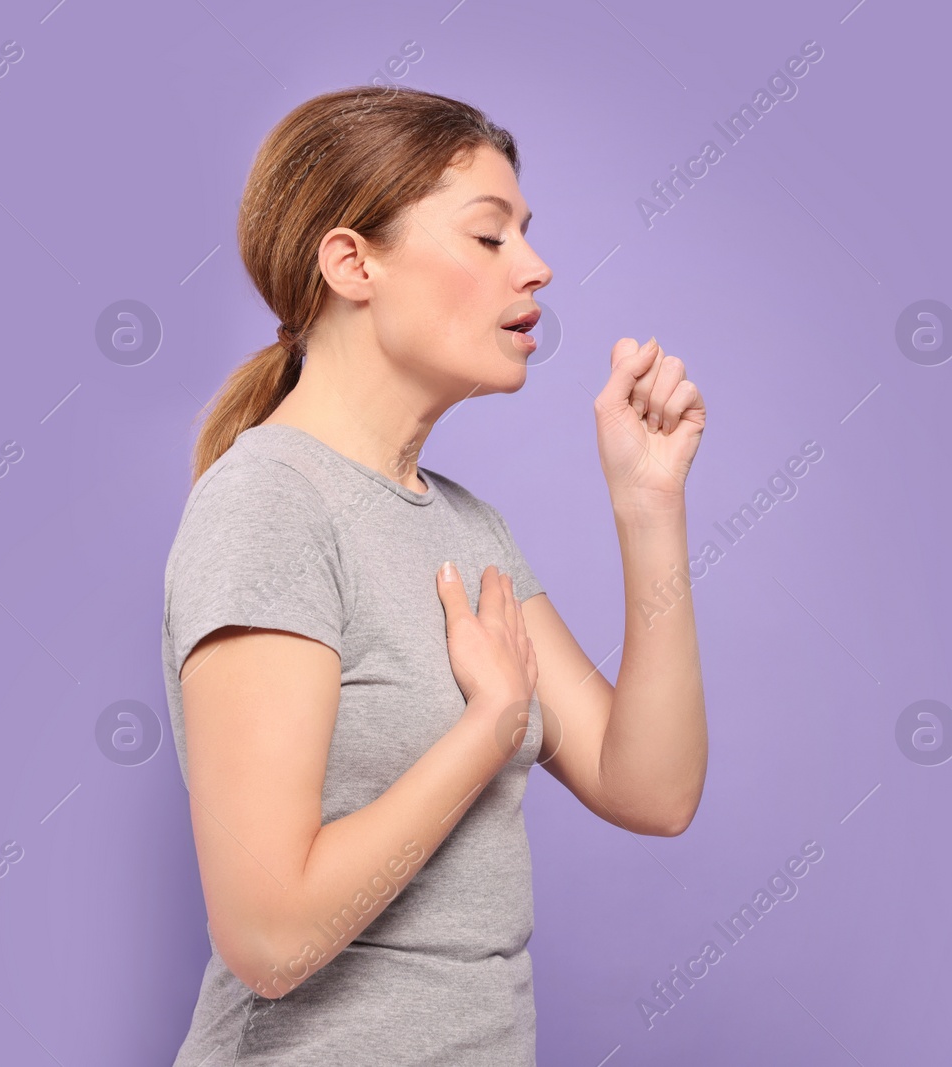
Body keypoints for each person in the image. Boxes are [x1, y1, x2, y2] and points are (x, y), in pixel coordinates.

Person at [159, 84, 708, 1065]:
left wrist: (648, 504)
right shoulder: (270, 506)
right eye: (489, 237)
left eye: (526, 236)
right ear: (351, 261)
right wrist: (486, 728)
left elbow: (652, 787)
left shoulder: (466, 527)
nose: (536, 267)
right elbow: (270, 940)